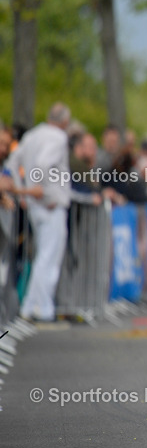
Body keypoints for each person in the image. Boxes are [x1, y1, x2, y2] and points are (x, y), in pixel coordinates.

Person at [4, 103, 72, 322]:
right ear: (64, 121)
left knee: (43, 254)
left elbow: (14, 161)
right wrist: (46, 193)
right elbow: (44, 164)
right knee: (49, 257)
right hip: (49, 203)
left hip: (33, 203)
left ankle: (30, 305)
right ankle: (43, 307)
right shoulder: (58, 138)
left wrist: (20, 190)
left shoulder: (32, 135)